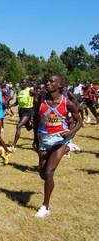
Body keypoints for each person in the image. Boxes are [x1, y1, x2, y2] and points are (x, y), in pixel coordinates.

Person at [32, 75, 82, 218]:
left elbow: (79, 121)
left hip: (60, 139)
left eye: (51, 81)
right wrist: (35, 138)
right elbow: (36, 118)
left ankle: (45, 207)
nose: (47, 83)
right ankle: (68, 146)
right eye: (46, 81)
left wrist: (71, 132)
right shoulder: (39, 100)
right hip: (44, 139)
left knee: (49, 172)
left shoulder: (68, 103)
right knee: (43, 174)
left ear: (59, 86)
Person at [11, 79, 36, 150]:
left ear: (27, 83)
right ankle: (35, 126)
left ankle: (13, 145)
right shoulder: (19, 90)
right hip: (21, 110)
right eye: (21, 82)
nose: (21, 84)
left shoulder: (30, 90)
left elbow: (36, 98)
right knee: (28, 128)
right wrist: (10, 105)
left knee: (19, 126)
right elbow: (17, 102)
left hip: (28, 110)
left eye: (23, 83)